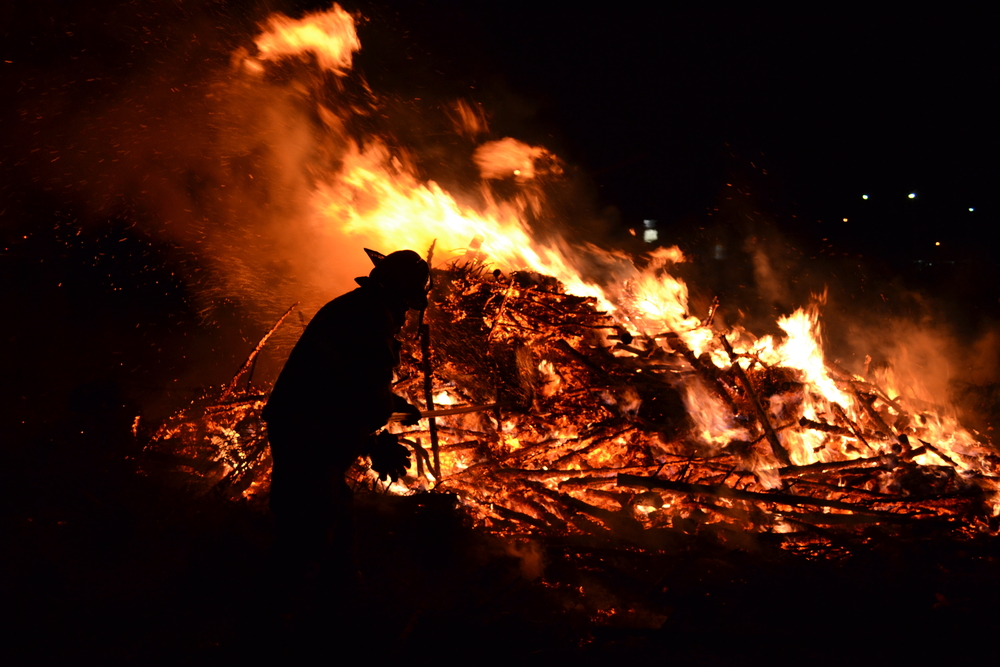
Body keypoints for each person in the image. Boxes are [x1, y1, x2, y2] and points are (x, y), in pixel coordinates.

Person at [262, 248, 427, 609]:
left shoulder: (359, 309)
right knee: (307, 532)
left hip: (308, 426)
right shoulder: (369, 320)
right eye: (406, 306)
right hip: (308, 433)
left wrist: (394, 406)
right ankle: (277, 624)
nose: (405, 317)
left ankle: (335, 611)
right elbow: (353, 397)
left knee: (333, 518)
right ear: (396, 295)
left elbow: (353, 382)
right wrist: (377, 440)